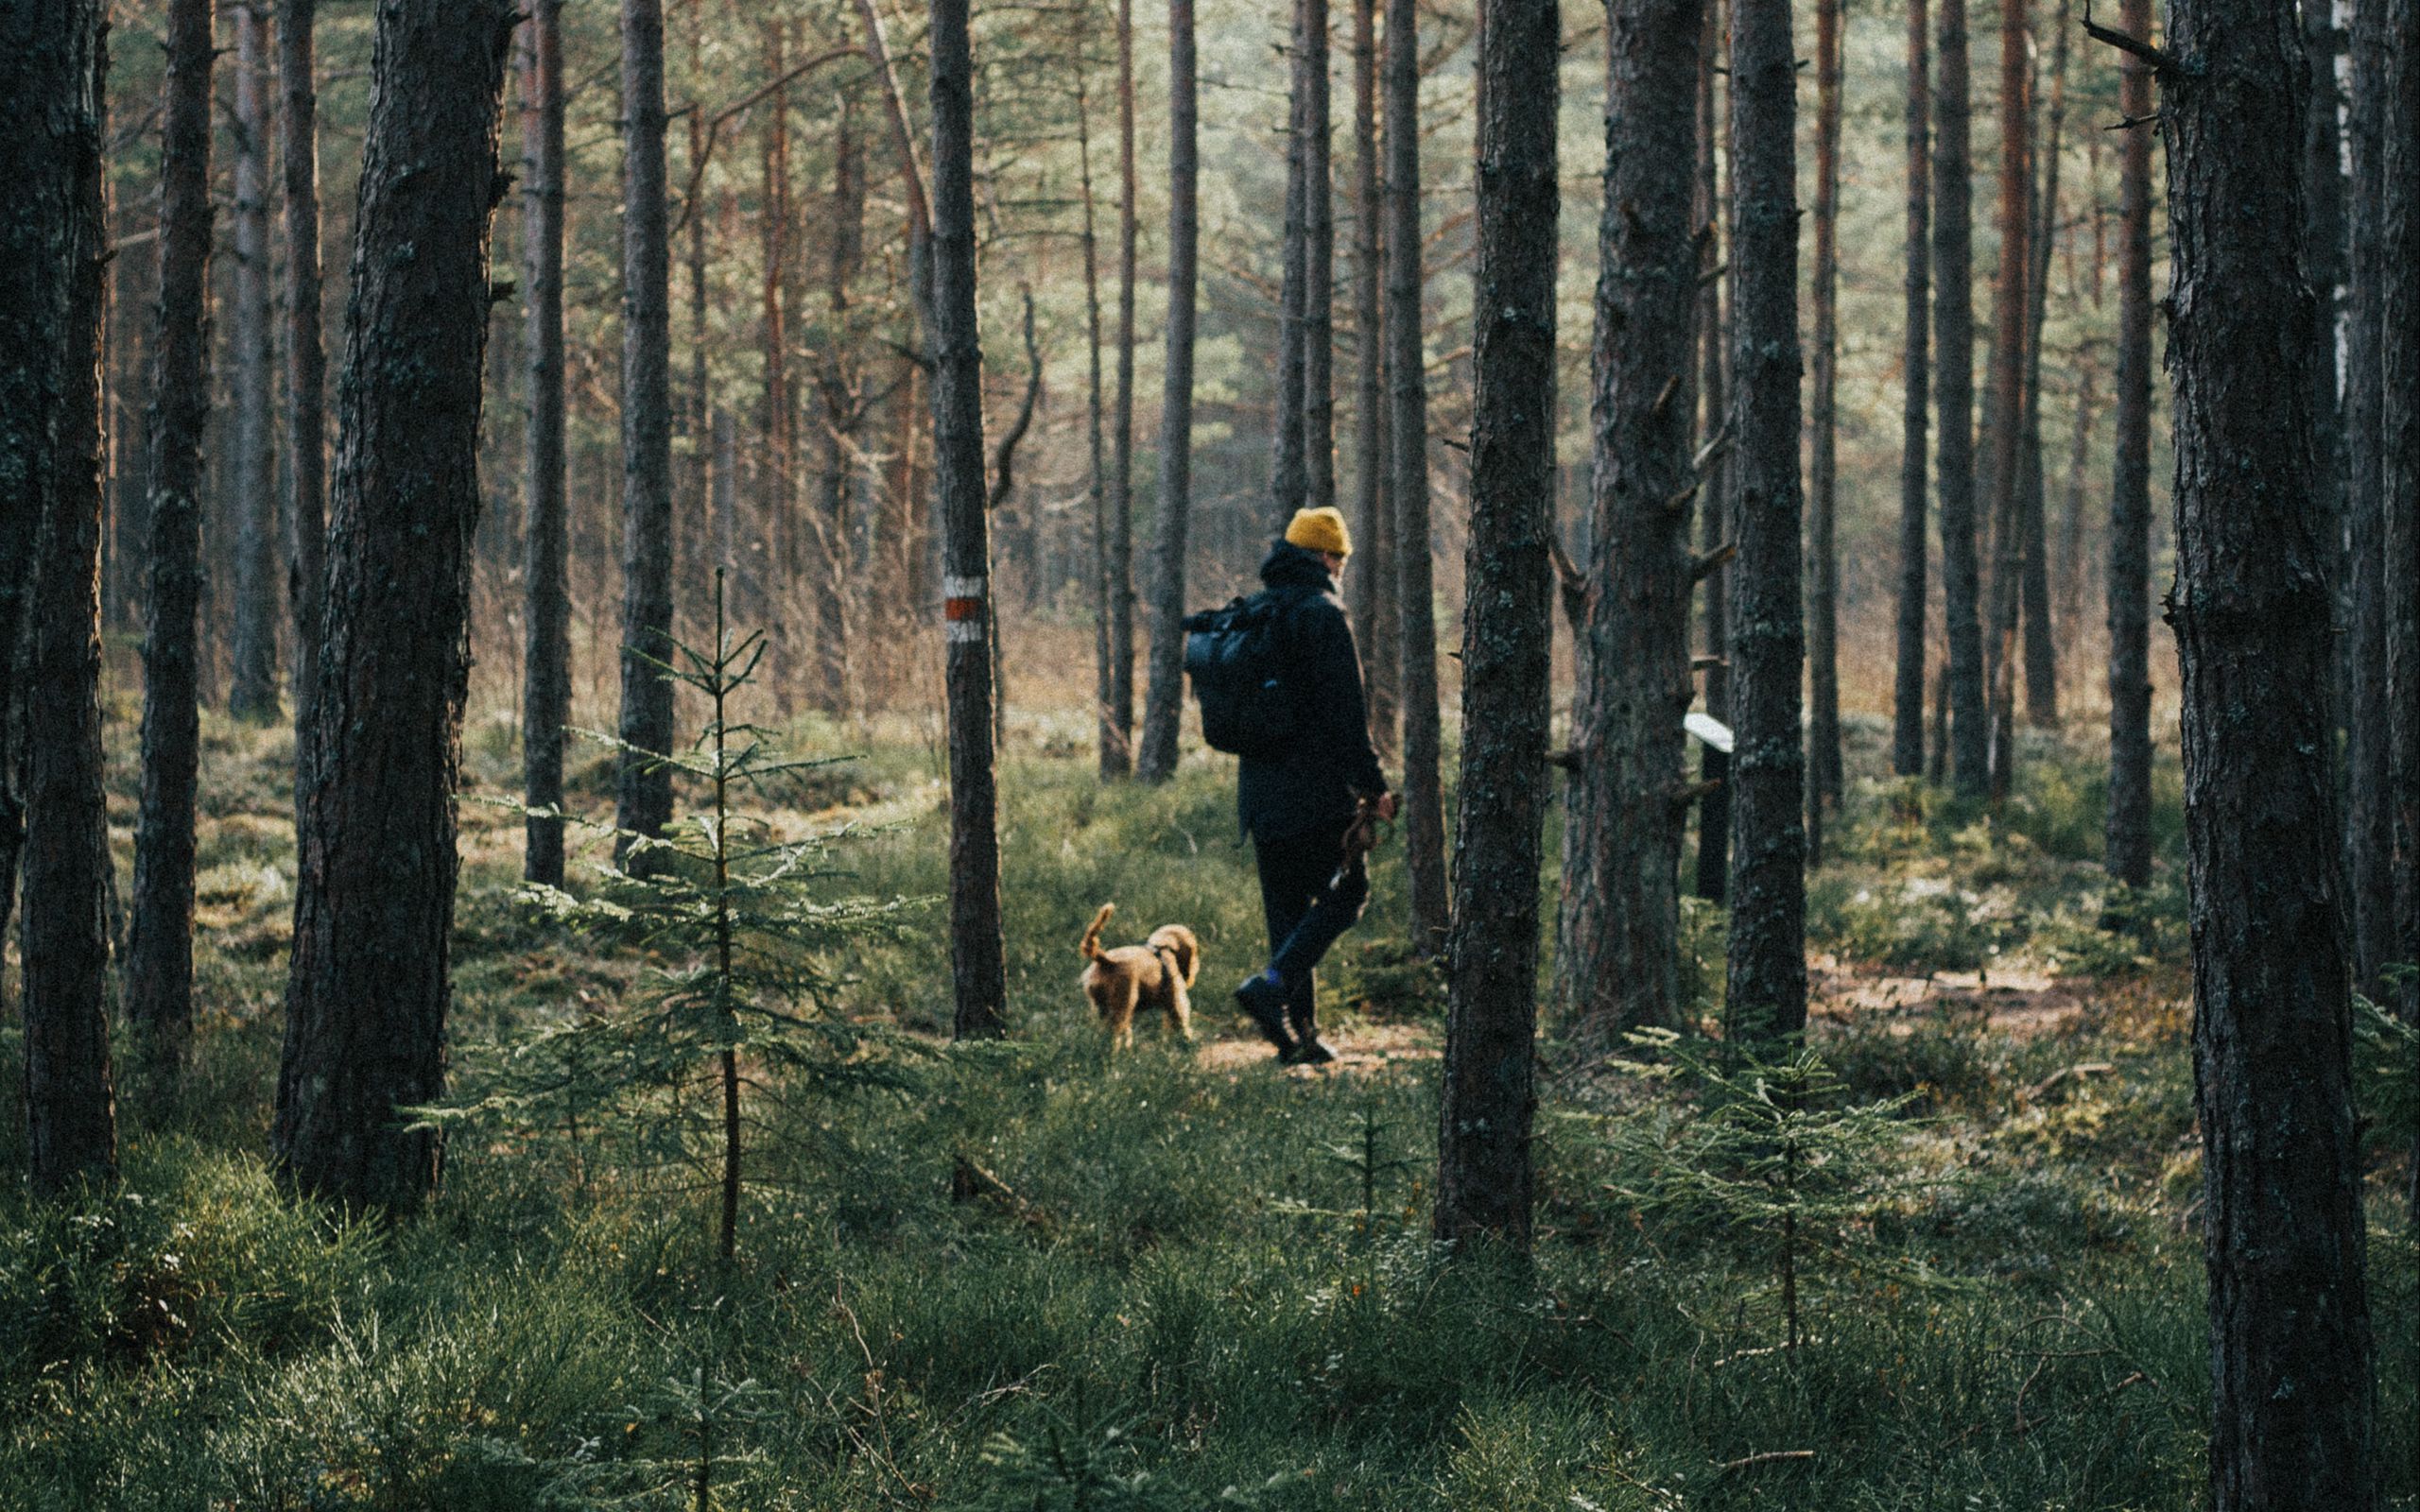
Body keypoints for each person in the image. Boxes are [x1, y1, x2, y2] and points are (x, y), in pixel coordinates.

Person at [1232, 506, 1399, 1064]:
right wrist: (1373, 788)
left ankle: (1299, 1039)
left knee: (1287, 912)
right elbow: (1347, 716)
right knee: (1346, 895)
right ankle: (1272, 989)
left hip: (1259, 796)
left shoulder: (1257, 611)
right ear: (1326, 557)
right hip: (1315, 795)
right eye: (1342, 558)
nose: (1343, 568)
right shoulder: (1324, 615)